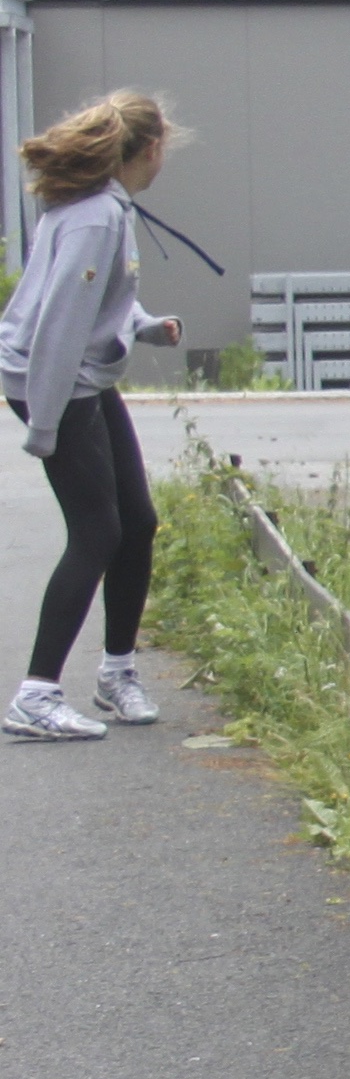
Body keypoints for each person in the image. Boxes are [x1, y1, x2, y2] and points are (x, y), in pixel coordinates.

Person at [4, 91, 189, 745]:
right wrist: (45, 426)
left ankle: (117, 674)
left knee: (136, 522)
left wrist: (145, 326)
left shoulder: (102, 207)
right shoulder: (97, 217)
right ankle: (36, 695)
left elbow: (99, 303)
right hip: (59, 384)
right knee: (96, 533)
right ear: (152, 148)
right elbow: (59, 325)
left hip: (79, 380)